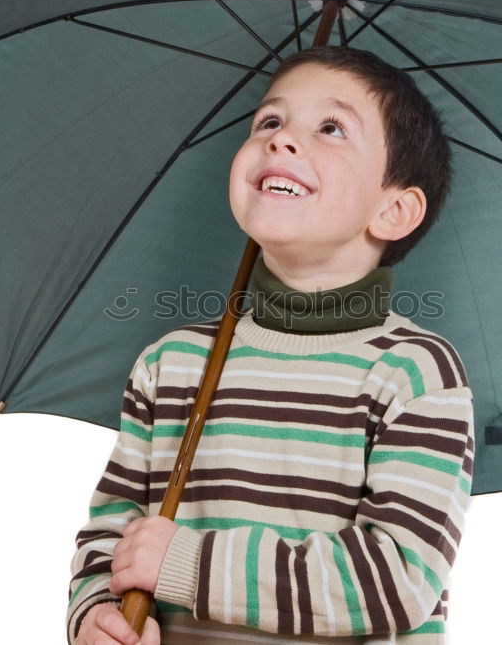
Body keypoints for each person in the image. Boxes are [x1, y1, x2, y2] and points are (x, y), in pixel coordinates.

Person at [66, 46, 474, 644]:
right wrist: (96, 615)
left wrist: (189, 564)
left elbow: (398, 580)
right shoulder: (171, 364)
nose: (282, 141)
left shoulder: (415, 373)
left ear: (393, 208)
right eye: (269, 121)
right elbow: (113, 536)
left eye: (330, 128)